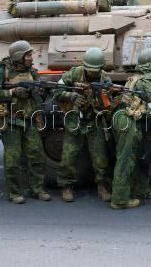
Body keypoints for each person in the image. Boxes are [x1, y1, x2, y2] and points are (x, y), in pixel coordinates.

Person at [0, 40, 51, 204]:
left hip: (30, 120)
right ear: (19, 57)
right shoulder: (1, 72)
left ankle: (37, 189)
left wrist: (38, 91)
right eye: (28, 55)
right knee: (12, 159)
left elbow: (41, 95)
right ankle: (14, 192)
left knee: (37, 156)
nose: (31, 58)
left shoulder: (33, 72)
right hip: (11, 121)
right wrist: (13, 92)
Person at [53, 47, 112, 202]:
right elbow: (56, 91)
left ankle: (102, 185)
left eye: (96, 70)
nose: (92, 73)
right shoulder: (74, 74)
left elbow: (108, 103)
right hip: (74, 120)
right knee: (69, 156)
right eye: (89, 70)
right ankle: (66, 186)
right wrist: (71, 96)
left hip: (94, 120)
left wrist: (101, 97)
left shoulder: (104, 79)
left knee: (100, 157)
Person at [110, 47, 151, 210]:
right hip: (128, 121)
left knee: (138, 156)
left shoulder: (136, 77)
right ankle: (119, 200)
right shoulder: (150, 81)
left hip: (126, 118)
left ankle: (141, 189)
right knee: (126, 159)